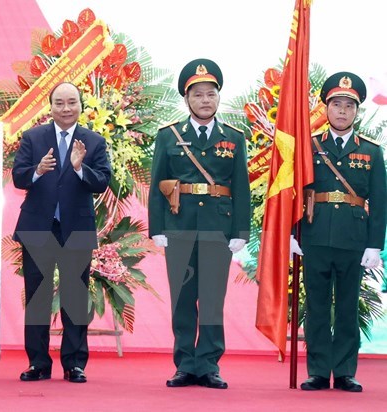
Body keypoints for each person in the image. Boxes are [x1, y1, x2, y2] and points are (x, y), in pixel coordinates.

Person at [148, 58, 250, 389]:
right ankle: (184, 364)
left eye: (211, 94)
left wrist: (240, 232)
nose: (205, 100)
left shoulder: (233, 138)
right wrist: (157, 229)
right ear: (187, 99)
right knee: (182, 298)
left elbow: (241, 188)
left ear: (218, 98)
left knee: (210, 298)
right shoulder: (169, 136)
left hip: (217, 228)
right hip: (179, 226)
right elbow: (157, 184)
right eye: (198, 95)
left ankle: (208, 364)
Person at [293, 72, 386, 392]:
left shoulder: (372, 152)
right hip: (315, 235)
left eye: (349, 105)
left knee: (347, 307)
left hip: (352, 239)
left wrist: (375, 245)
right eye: (336, 104)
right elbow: (295, 190)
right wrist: (295, 233)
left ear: (357, 111)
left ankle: (345, 371)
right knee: (317, 307)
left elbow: (380, 200)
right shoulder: (309, 146)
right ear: (326, 108)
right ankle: (318, 371)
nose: (342, 111)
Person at [12, 82, 111, 383]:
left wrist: (80, 168)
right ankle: (38, 363)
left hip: (76, 227)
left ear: (81, 105)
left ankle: (75, 363)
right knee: (37, 297)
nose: (65, 108)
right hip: (38, 226)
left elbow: (102, 181)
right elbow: (18, 178)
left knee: (75, 296)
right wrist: (37, 171)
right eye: (59, 103)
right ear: (50, 106)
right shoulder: (33, 137)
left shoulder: (93, 141)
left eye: (71, 102)